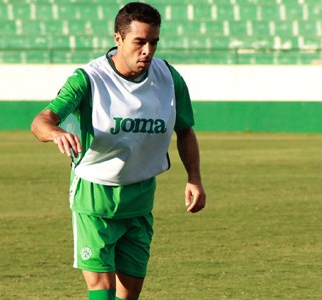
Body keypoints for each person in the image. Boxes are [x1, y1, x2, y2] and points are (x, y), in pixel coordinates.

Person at [31, 2, 206, 299]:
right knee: (102, 289)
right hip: (95, 197)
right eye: (139, 42)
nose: (148, 50)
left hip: (140, 198)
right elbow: (41, 121)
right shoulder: (88, 78)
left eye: (153, 42)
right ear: (119, 39)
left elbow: (185, 130)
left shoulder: (169, 78)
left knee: (130, 293)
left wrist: (194, 178)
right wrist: (56, 133)